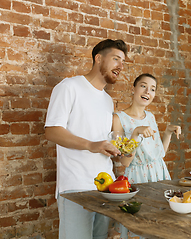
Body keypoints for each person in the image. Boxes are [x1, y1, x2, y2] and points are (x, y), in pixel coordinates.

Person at [44, 39, 127, 239]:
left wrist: (116, 150)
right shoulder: (69, 87)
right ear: (98, 59)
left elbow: (100, 140)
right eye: (116, 59)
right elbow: (52, 131)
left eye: (123, 62)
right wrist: (91, 145)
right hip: (76, 187)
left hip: (105, 188)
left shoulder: (107, 100)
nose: (120, 66)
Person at [112, 73, 181, 239]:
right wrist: (136, 133)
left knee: (160, 227)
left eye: (152, 89)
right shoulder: (118, 118)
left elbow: (159, 154)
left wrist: (167, 133)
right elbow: (125, 161)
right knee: (139, 226)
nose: (147, 92)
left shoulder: (150, 117)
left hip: (159, 173)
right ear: (133, 88)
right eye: (143, 86)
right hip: (138, 177)